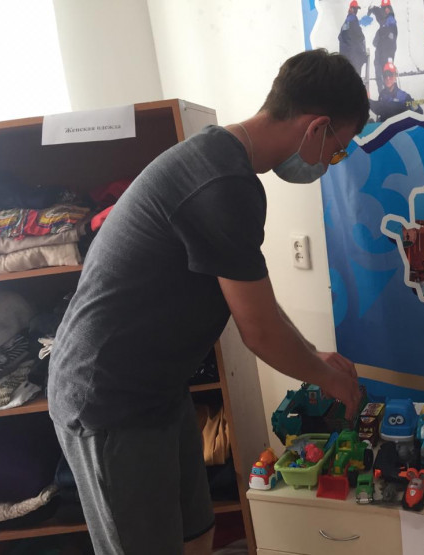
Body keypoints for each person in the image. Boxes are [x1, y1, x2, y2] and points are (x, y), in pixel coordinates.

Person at [47, 49, 368, 555]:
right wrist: (326, 378)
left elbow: (256, 304)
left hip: (159, 388)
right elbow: (259, 333)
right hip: (109, 397)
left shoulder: (221, 160)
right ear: (317, 128)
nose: (330, 163)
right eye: (338, 151)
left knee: (196, 532)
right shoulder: (223, 183)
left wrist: (315, 356)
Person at [369, 0, 398, 93]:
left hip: (387, 54)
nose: (386, 9)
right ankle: (382, 95)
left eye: (387, 7)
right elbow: (379, 14)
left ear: (390, 8)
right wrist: (373, 9)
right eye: (384, 8)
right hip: (380, 54)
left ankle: (391, 95)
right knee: (379, 74)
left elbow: (392, 39)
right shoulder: (383, 20)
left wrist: (389, 57)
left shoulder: (391, 20)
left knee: (387, 74)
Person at [338, 1, 367, 76]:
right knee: (355, 77)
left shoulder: (346, 22)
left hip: (345, 57)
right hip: (354, 57)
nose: (356, 11)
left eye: (356, 9)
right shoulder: (353, 19)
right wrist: (362, 54)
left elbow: (340, 37)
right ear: (351, 9)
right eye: (355, 9)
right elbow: (360, 36)